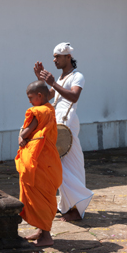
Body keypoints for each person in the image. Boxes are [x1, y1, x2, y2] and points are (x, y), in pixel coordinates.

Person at [33, 42, 94, 221]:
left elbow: (74, 96)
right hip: (57, 125)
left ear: (68, 57)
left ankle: (78, 204)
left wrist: (52, 82)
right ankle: (68, 206)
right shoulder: (60, 78)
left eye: (57, 56)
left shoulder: (78, 76)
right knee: (62, 167)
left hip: (68, 126)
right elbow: (47, 97)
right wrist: (42, 82)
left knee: (67, 167)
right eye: (54, 56)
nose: (54, 60)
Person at [15, 80, 63, 247]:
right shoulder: (49, 109)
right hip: (46, 160)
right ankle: (41, 231)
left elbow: (28, 131)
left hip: (40, 162)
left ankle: (46, 237)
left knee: (39, 196)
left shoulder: (39, 111)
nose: (29, 101)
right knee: (44, 195)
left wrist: (21, 137)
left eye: (31, 97)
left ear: (40, 96)